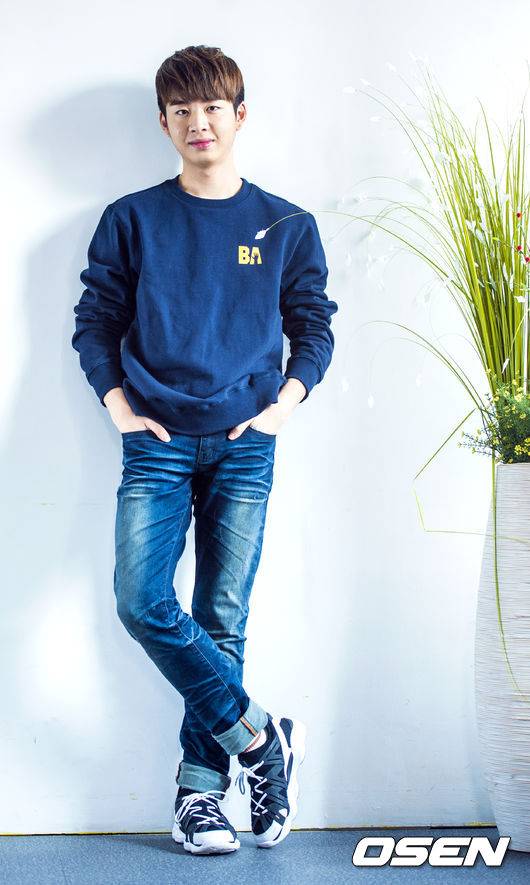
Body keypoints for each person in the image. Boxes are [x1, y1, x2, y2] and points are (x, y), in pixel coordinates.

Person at [71, 43, 338, 856]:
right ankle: (260, 737)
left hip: (245, 441)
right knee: (141, 600)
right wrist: (119, 405)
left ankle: (198, 796)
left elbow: (314, 327)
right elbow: (95, 321)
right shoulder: (131, 219)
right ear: (163, 122)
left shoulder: (287, 224)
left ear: (239, 115)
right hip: (155, 439)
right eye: (182, 110)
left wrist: (283, 407)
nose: (198, 123)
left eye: (212, 107)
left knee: (222, 616)